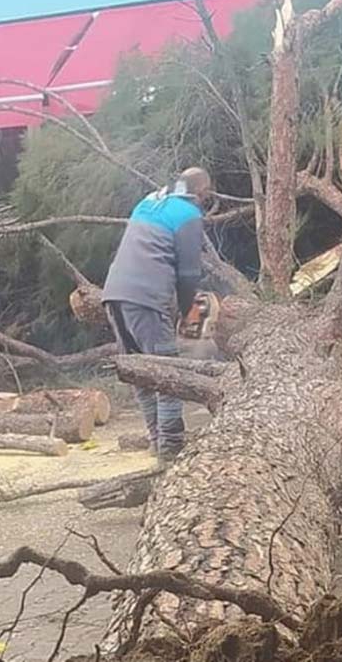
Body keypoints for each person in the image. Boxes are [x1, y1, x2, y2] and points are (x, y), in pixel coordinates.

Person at [102, 167, 212, 462]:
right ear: (202, 193)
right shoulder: (189, 214)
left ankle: (156, 439)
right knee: (167, 376)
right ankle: (171, 450)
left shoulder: (149, 201)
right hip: (146, 299)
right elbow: (188, 274)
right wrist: (188, 313)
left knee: (140, 372)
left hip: (113, 294)